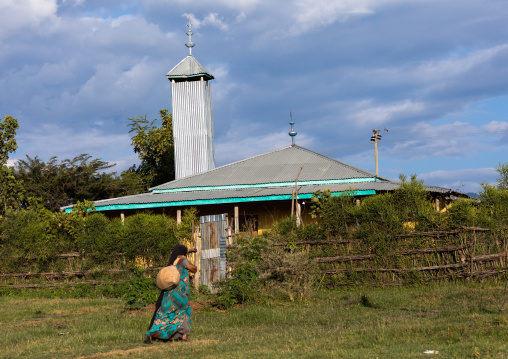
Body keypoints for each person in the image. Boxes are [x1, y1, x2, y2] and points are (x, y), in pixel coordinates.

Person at [145, 244, 197, 344]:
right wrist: (194, 266)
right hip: (180, 294)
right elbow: (193, 269)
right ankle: (184, 337)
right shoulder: (182, 259)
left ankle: (150, 334)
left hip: (170, 293)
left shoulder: (173, 261)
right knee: (185, 313)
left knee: (165, 316)